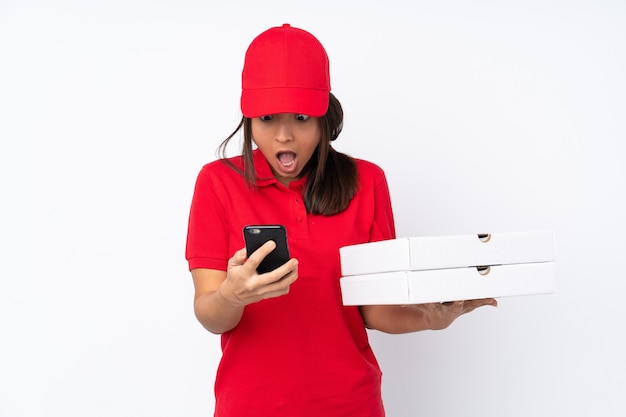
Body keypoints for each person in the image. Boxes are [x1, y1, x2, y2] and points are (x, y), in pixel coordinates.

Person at [185, 23, 497, 417]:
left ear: (324, 118)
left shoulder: (367, 183)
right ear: (248, 120)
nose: (284, 136)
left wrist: (433, 318)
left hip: (351, 405)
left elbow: (374, 311)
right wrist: (232, 296)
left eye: (301, 117)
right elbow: (209, 314)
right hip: (250, 406)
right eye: (267, 118)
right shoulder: (216, 184)